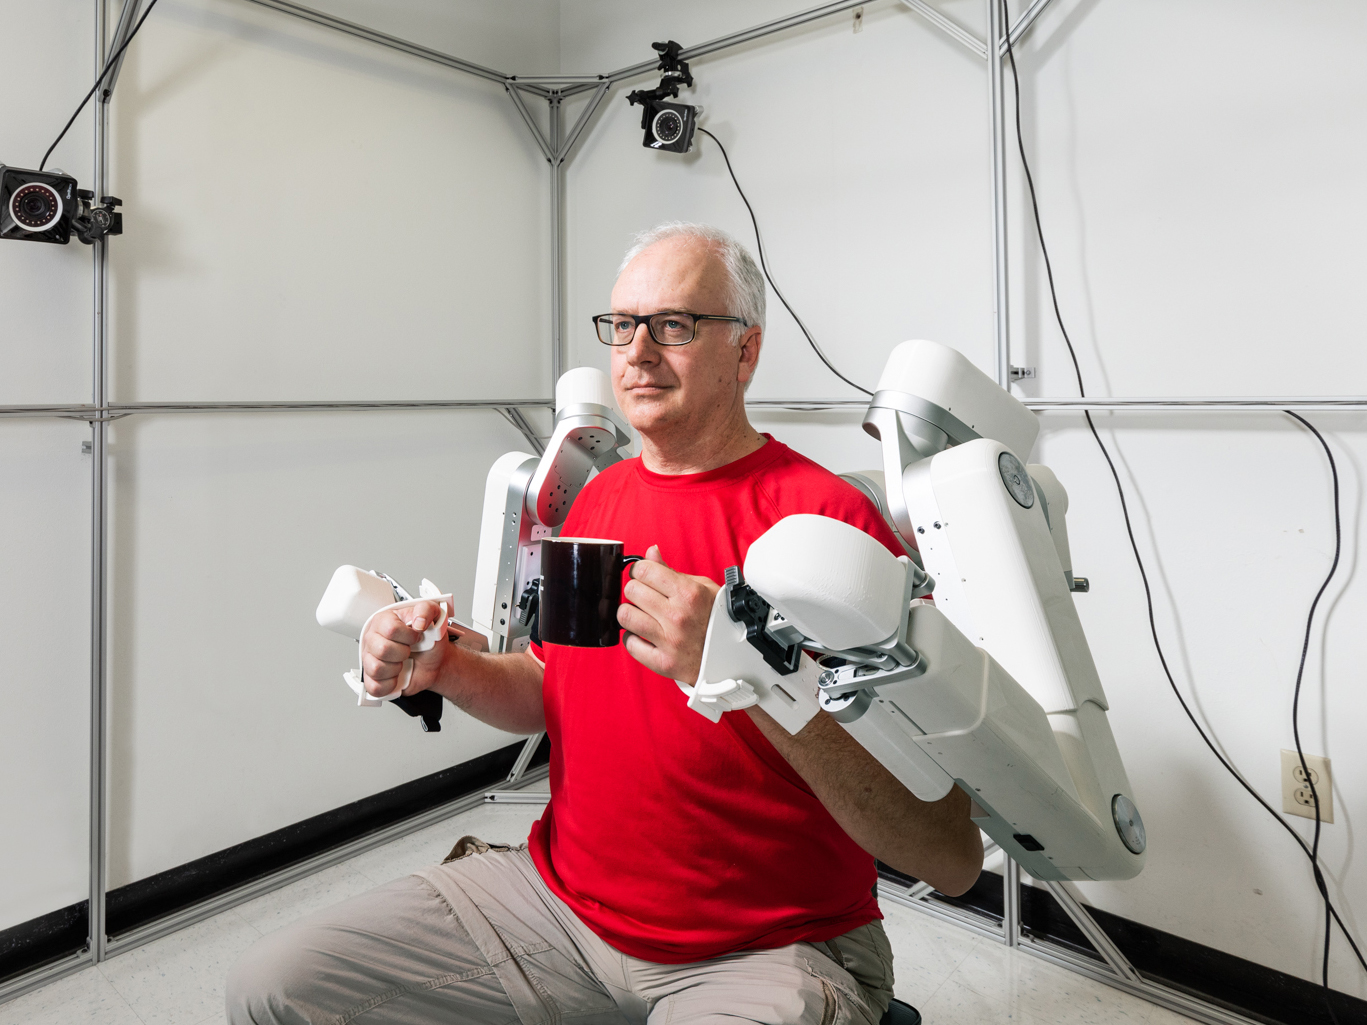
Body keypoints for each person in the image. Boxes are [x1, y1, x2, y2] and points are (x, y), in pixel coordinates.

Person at [226, 223, 982, 1025]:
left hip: (766, 944)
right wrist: (444, 665)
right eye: (622, 325)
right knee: (275, 987)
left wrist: (745, 668)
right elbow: (553, 685)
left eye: (675, 324)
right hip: (555, 908)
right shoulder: (600, 499)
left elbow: (948, 851)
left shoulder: (829, 523)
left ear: (745, 352)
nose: (638, 351)